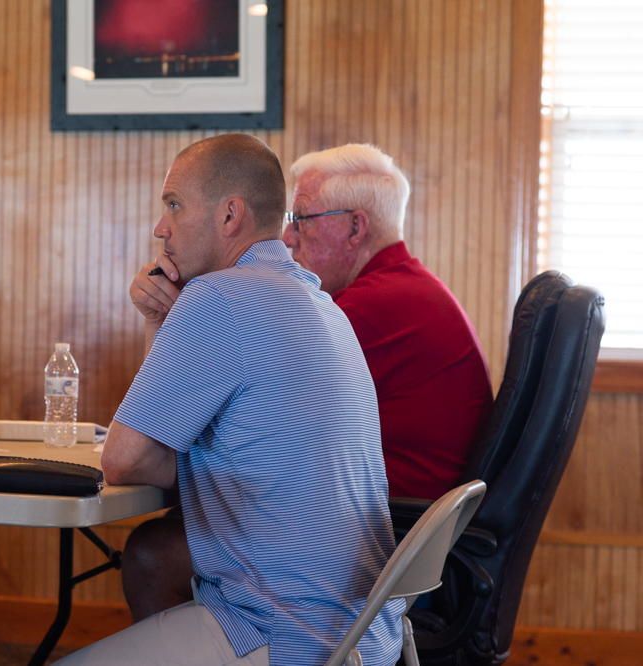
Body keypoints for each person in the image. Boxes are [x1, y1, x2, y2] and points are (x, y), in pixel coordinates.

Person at [54, 134, 404, 665]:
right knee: (151, 554)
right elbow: (197, 446)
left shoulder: (218, 296)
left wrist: (175, 315)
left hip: (290, 634)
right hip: (365, 630)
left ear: (229, 216)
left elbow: (125, 459)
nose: (160, 227)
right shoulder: (321, 302)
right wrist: (161, 323)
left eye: (174, 205)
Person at [119, 144, 495, 622]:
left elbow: (163, 445)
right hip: (391, 544)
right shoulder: (385, 295)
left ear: (356, 227)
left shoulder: (360, 310)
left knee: (152, 553)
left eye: (302, 220)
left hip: (354, 552)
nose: (289, 238)